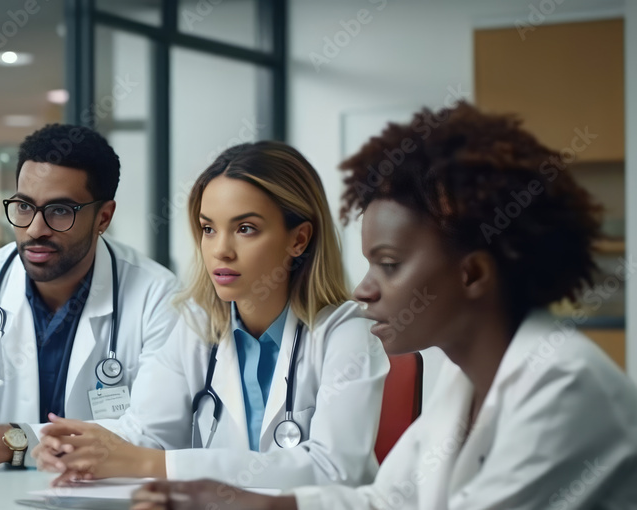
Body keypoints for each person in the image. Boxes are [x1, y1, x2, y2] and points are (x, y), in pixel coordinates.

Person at [130, 102, 637, 509]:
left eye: (389, 265)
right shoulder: (467, 383)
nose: (364, 290)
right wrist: (238, 501)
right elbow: (383, 500)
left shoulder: (561, 386)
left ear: (474, 273)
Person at [33, 141, 389, 489]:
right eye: (208, 229)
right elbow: (145, 432)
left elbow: (334, 469)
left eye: (245, 229)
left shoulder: (347, 334)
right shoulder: (196, 327)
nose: (221, 250)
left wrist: (152, 463)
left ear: (299, 239)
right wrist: (74, 446)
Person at [0, 123, 179, 472]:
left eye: (60, 211)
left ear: (103, 217)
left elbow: (153, 434)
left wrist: (12, 441)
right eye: (24, 206)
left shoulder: (158, 295)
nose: (34, 229)